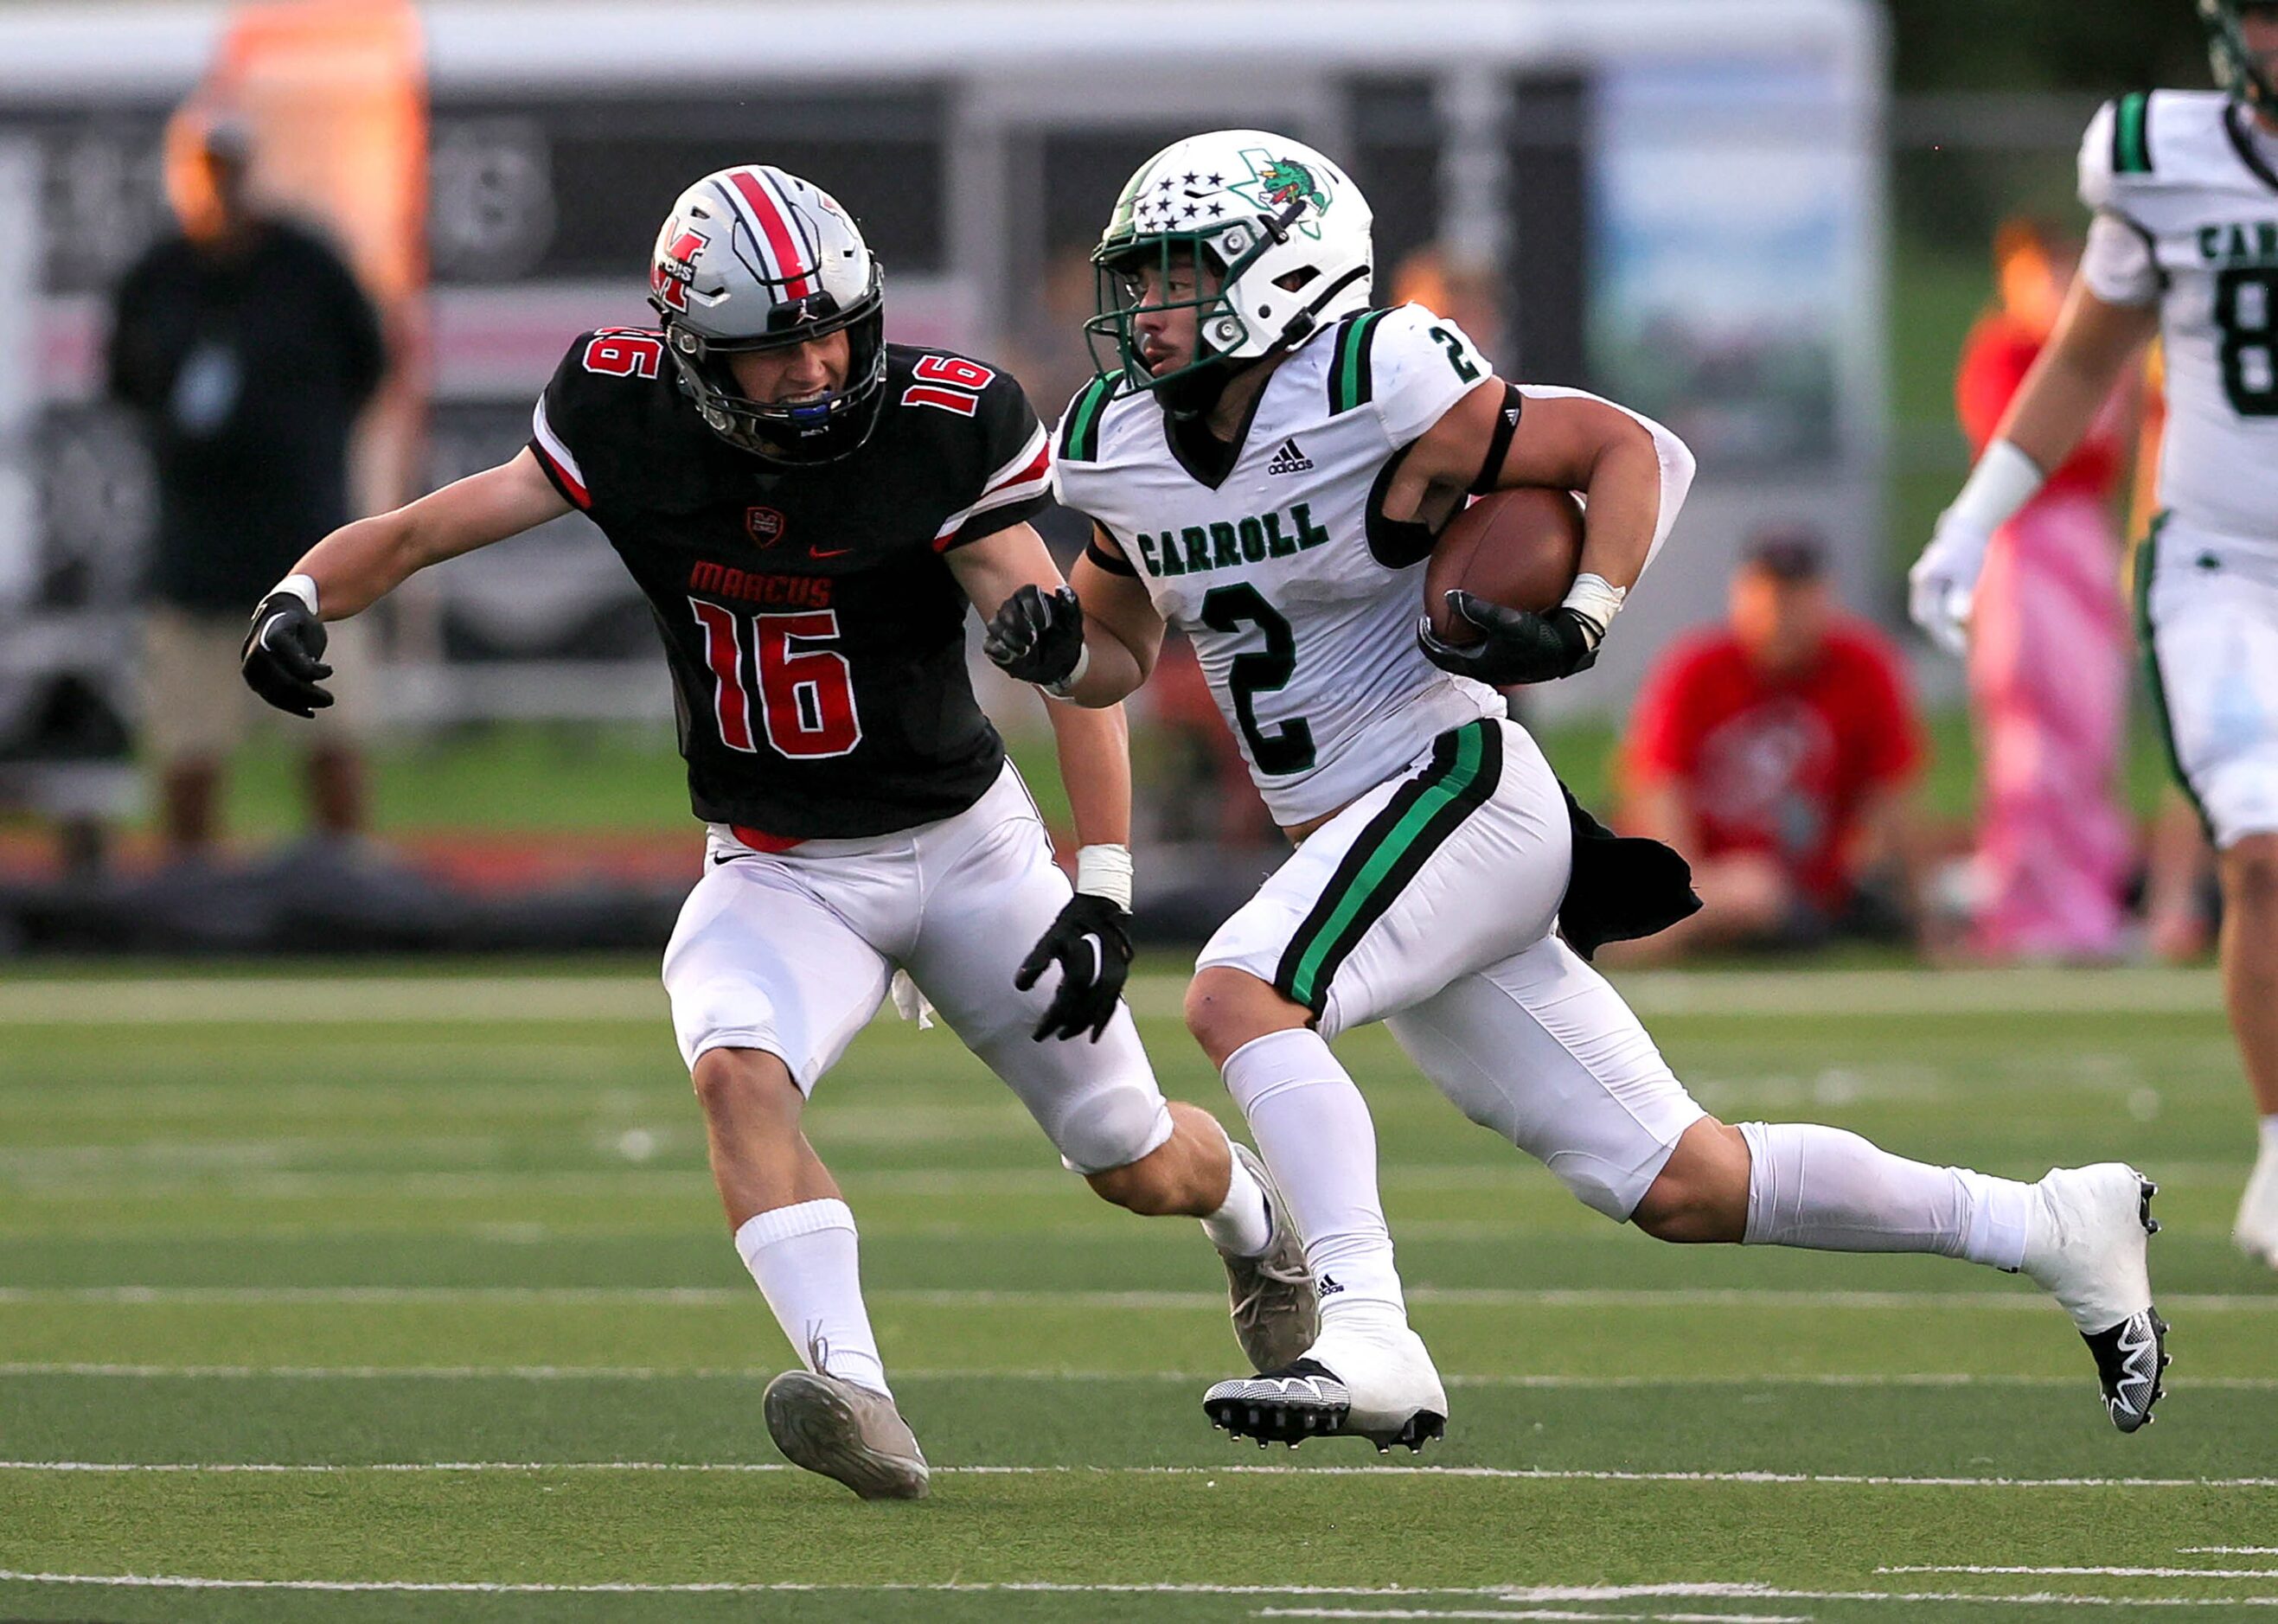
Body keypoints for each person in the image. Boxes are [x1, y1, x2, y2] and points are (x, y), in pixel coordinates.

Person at [985, 128, 2168, 1451]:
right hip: (1362, 839)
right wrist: (1059, 651)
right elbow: (1120, 649)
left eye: (1179, 276)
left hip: (1453, 783)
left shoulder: (1377, 373)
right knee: (1675, 1178)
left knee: (1240, 988)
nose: (1145, 310)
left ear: (1282, 271)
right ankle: (2055, 1224)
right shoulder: (1114, 440)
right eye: (1137, 279)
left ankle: (1367, 1332)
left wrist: (1585, 615)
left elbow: (1634, 448)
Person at [238, 163, 1312, 1499]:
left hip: (968, 846)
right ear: (693, 356)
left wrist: (1100, 880)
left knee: (1131, 1159)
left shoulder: (939, 425)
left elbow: (1070, 665)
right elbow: (414, 532)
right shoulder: (621, 411)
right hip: (779, 861)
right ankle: (855, 1391)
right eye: (772, 350)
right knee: (734, 1068)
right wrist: (299, 594)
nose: (812, 368)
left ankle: (1251, 1216)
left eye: (829, 334)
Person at [1909, 0, 2278, 1269]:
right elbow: (2077, 361)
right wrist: (1968, 524)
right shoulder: (2156, 156)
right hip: (2222, 560)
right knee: (2258, 846)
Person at [107, 112, 385, 859]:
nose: (216, 186)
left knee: (332, 736)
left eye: (227, 167)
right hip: (196, 552)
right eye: (202, 168)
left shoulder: (308, 265)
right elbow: (126, 385)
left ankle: (347, 898)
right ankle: (193, 906)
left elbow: (370, 362)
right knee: (189, 749)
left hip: (307, 549)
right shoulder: (155, 277)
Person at [1954, 221, 2137, 962]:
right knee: (2032, 733)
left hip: (2082, 543)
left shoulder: (2100, 356)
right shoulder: (2008, 352)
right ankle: (2027, 908)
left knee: (2089, 731)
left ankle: (2088, 902)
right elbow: (2037, 453)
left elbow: (2106, 463)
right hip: (2028, 545)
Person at [1619, 529, 1932, 958]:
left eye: (1797, 598)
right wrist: (1693, 884)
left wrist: (1913, 906)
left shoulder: (1863, 667)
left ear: (1824, 598)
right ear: (1740, 596)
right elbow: (1658, 787)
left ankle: (1651, 929)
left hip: (1812, 889)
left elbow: (1892, 793)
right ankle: (1650, 928)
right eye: (1769, 596)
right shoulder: (1697, 669)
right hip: (1714, 872)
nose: (1783, 614)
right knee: (1751, 892)